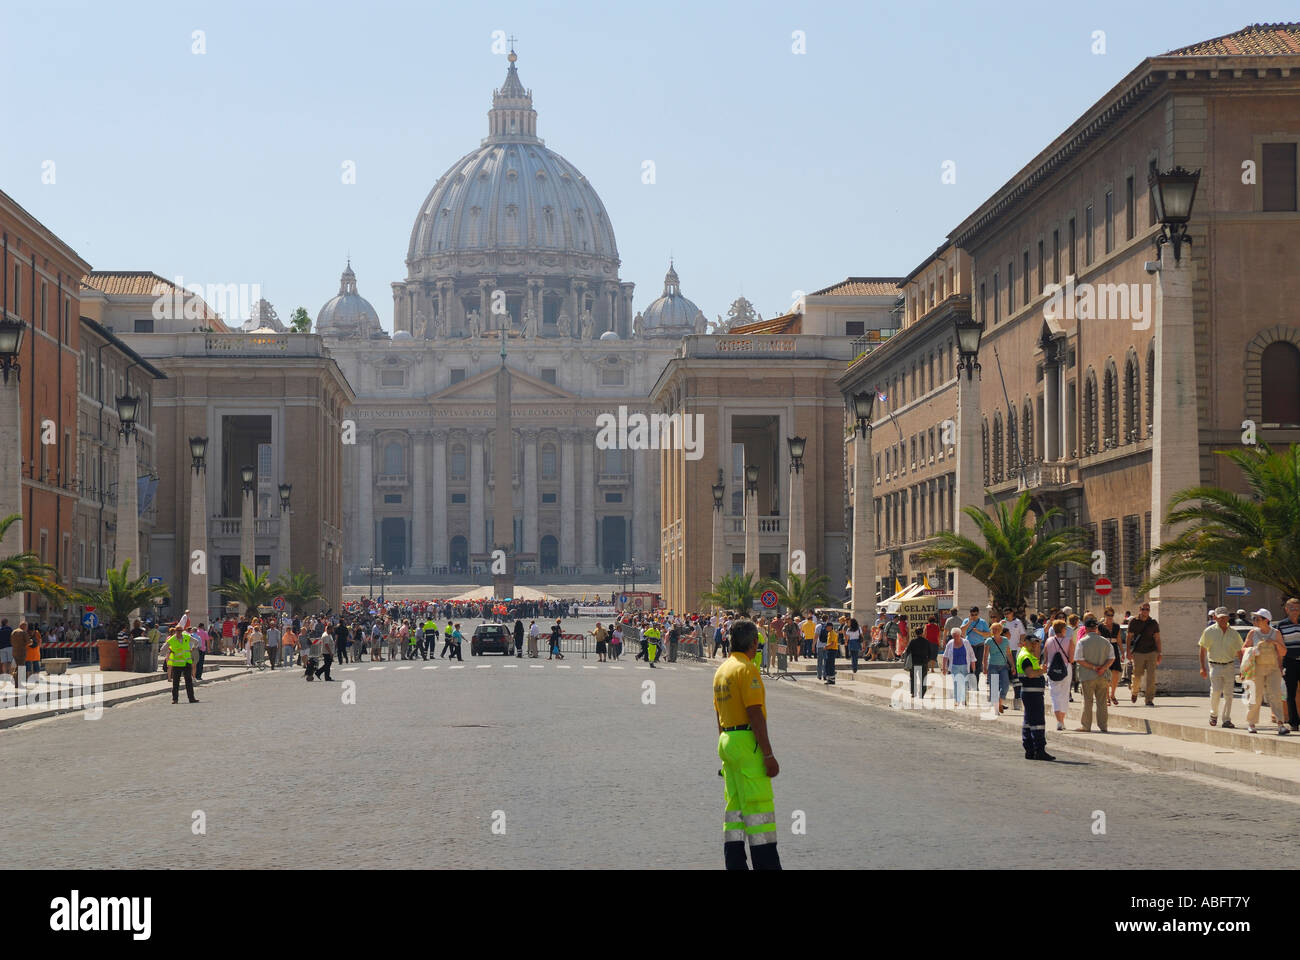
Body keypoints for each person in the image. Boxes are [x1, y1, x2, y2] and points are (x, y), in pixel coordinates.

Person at [712, 619, 781, 870]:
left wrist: (724, 749)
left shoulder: (722, 670)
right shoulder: (746, 668)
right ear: (754, 643)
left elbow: (718, 713)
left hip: (727, 740)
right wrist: (769, 754)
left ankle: (735, 864)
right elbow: (754, 713)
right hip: (746, 742)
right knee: (758, 809)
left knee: (735, 811)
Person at [1243, 608, 1290, 736]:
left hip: (1273, 668)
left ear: (1266, 620)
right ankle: (1251, 723)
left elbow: (1283, 652)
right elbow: (1244, 649)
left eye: (1257, 618)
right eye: (1254, 618)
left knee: (1275, 695)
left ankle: (1280, 723)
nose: (1255, 621)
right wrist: (1253, 649)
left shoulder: (1276, 633)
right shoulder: (1253, 633)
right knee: (1255, 696)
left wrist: (1274, 643)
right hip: (1257, 668)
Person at [1199, 606, 1244, 729]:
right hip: (1214, 665)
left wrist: (1243, 669)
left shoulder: (1234, 633)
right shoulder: (1209, 631)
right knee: (1216, 691)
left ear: (1228, 618)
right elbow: (1202, 650)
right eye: (1220, 617)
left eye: (1225, 617)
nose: (1223, 620)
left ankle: (1226, 719)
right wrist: (1202, 667)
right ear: (1215, 618)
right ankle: (1213, 715)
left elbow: (1240, 651)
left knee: (1229, 694)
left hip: (1229, 665)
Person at [1073, 615, 1114, 732]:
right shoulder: (1105, 642)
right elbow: (1112, 658)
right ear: (1096, 628)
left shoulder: (1082, 642)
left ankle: (1086, 726)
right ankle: (1103, 726)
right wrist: (1103, 668)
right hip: (1103, 676)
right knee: (1102, 702)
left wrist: (1093, 667)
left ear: (1085, 629)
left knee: (1087, 701)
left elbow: (1078, 659)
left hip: (1087, 676)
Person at [1016, 634, 1053, 760]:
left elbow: (1036, 657)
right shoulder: (1026, 656)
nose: (1034, 645)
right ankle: (1039, 750)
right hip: (1032, 694)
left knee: (1029, 722)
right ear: (1025, 642)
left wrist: (1037, 646)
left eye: (1036, 643)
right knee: (1037, 722)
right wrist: (1042, 671)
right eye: (1032, 642)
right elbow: (1030, 674)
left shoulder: (1028, 654)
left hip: (1031, 693)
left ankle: (1030, 750)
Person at [1126, 602, 1161, 706]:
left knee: (1151, 677)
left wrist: (1160, 653)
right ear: (1140, 610)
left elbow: (1158, 639)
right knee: (1137, 675)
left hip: (1151, 652)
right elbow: (1129, 638)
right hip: (1138, 652)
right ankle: (1135, 691)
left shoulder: (1153, 623)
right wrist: (1128, 651)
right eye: (1143, 609)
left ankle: (1149, 699)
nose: (1145, 611)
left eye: (1147, 609)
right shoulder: (1134, 622)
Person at [1275, 598, 1300, 733]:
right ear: (1286, 609)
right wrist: (1279, 666)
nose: (1295, 611)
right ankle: (1294, 722)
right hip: (1289, 662)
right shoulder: (1281, 625)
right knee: (1290, 693)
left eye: (1297, 608)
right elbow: (1278, 647)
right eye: (1292, 608)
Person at [1043, 619, 1073, 730]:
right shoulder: (1069, 641)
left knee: (1055, 695)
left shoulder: (1048, 641)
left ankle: (1059, 721)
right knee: (1065, 694)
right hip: (1065, 668)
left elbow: (1045, 658)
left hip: (1051, 668)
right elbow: (1072, 659)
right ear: (1063, 629)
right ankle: (1062, 720)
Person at [982, 621, 1013, 715]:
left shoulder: (1005, 640)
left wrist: (1013, 665)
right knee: (994, 687)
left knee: (1006, 686)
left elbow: (1009, 653)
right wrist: (984, 667)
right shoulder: (989, 641)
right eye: (993, 629)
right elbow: (985, 655)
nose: (995, 631)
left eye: (997, 629)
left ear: (1000, 630)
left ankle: (1000, 701)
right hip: (993, 666)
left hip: (1003, 666)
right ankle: (996, 709)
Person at [166, 623, 199, 704]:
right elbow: (164, 647)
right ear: (175, 631)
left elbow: (196, 642)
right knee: (176, 682)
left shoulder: (186, 637)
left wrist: (193, 648)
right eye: (177, 631)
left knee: (188, 681)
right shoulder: (172, 639)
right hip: (177, 664)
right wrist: (169, 652)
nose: (179, 632)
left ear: (182, 631)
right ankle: (175, 699)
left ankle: (191, 698)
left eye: (180, 630)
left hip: (187, 662)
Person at [1097, 607, 1123, 707]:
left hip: (1114, 649)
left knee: (1116, 673)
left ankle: (1113, 695)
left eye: (1112, 615)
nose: (1110, 617)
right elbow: (1098, 640)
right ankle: (1107, 697)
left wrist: (1122, 652)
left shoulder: (1116, 626)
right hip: (1104, 651)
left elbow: (1119, 640)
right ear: (1104, 615)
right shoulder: (1100, 626)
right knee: (1106, 674)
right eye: (1108, 615)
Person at [903, 627, 931, 701]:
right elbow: (930, 653)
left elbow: (908, 651)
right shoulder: (926, 642)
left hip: (914, 663)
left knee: (913, 678)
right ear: (922, 633)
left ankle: (913, 692)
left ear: (915, 633)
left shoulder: (912, 641)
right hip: (923, 662)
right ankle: (922, 694)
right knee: (923, 679)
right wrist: (927, 661)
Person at [822, 619, 838, 685]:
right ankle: (829, 678)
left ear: (830, 627)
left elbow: (832, 643)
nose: (826, 628)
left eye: (827, 627)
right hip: (829, 650)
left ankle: (832, 679)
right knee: (828, 665)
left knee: (830, 665)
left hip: (832, 650)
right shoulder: (829, 633)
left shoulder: (833, 634)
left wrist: (826, 647)